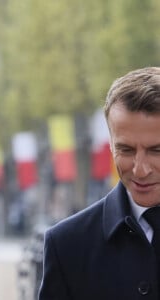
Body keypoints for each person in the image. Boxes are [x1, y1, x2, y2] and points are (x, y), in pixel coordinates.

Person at [39, 66, 160, 300]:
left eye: (156, 150)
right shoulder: (65, 244)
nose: (140, 169)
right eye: (125, 150)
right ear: (111, 144)